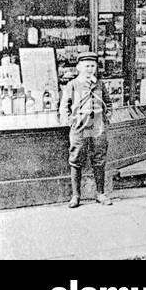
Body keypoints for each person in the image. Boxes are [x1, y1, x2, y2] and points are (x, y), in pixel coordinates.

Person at [59, 51, 112, 208]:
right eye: (86, 66)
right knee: (76, 160)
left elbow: (108, 103)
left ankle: (100, 193)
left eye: (92, 66)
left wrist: (106, 119)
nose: (90, 69)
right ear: (79, 67)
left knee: (99, 160)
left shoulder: (100, 84)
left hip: (98, 127)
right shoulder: (72, 85)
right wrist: (71, 121)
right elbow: (64, 106)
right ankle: (76, 196)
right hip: (79, 128)